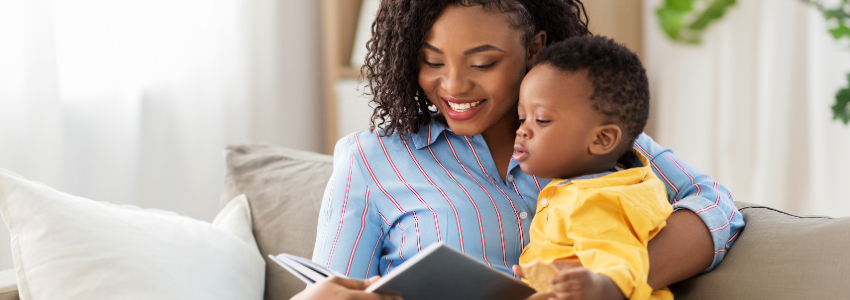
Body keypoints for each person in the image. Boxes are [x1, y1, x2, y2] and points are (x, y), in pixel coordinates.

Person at [313, 0, 743, 294]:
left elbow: (716, 205)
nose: (454, 85)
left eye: (483, 63)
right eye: (432, 61)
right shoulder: (371, 160)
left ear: (533, 49)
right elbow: (332, 286)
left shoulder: (595, 138)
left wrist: (610, 283)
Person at [511, 36, 673, 300]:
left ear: (602, 139)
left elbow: (620, 260)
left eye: (541, 120)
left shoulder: (598, 202)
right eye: (522, 117)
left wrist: (599, 288)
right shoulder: (603, 184)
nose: (522, 130)